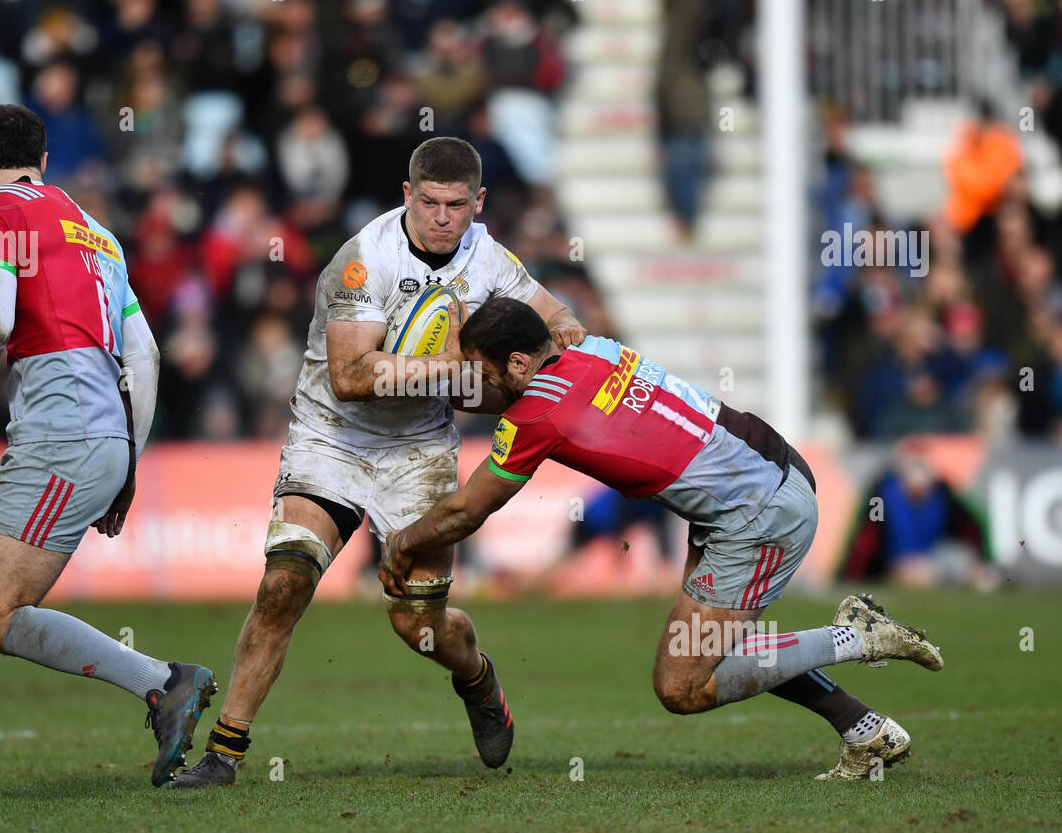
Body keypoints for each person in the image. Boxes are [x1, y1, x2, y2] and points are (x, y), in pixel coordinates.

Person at [380, 297, 945, 781]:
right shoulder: (590, 347)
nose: (475, 383)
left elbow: (464, 511)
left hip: (757, 514)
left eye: (482, 370)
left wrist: (402, 543)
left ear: (522, 362)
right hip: (761, 467)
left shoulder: (538, 416)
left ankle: (854, 635)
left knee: (682, 685)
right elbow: (516, 393)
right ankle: (864, 729)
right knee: (718, 652)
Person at [171, 137, 585, 787]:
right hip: (331, 437)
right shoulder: (362, 259)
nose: (443, 217)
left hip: (419, 452)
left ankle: (477, 678)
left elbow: (555, 316)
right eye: (429, 202)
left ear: (479, 202)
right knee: (284, 583)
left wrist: (564, 337)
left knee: (415, 624)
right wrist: (457, 371)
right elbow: (351, 376)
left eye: (456, 205)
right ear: (406, 196)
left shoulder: (491, 260)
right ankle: (224, 754)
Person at [0, 105, 214, 808]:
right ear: (45, 160)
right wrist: (129, 463)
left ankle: (162, 680)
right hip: (94, 434)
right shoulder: (100, 235)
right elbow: (142, 352)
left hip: (61, 436)